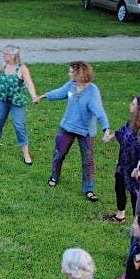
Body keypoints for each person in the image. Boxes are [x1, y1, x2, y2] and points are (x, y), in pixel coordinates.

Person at [34, 61, 113, 201]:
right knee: (58, 155)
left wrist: (106, 128)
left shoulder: (92, 91)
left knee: (87, 161)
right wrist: (42, 96)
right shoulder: (71, 85)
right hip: (67, 127)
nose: (69, 73)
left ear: (80, 73)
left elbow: (99, 110)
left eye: (71, 71)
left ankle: (89, 189)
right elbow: (59, 92)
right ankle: (54, 177)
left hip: (86, 131)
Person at [102, 94, 140, 223]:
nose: (130, 105)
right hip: (123, 162)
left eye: (133, 104)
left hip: (136, 168)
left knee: (135, 194)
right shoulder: (131, 123)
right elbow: (121, 132)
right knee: (119, 186)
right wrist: (110, 137)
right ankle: (120, 216)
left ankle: (137, 223)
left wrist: (139, 167)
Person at [0, 44, 38, 164]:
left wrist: (34, 96)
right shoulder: (4, 65)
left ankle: (26, 153)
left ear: (13, 55)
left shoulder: (22, 68)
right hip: (3, 100)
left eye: (5, 54)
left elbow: (29, 83)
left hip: (17, 102)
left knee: (19, 126)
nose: (3, 55)